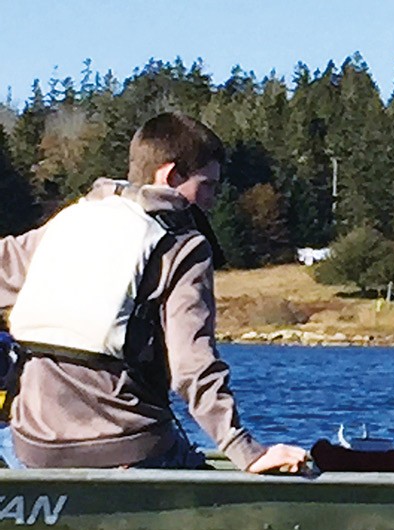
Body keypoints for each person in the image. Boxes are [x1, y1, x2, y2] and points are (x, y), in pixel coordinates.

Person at [0, 112, 306, 473]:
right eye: (207, 185)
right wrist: (245, 450)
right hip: (128, 447)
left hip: (32, 449)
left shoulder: (62, 226)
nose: (211, 200)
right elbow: (191, 365)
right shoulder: (182, 247)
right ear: (170, 176)